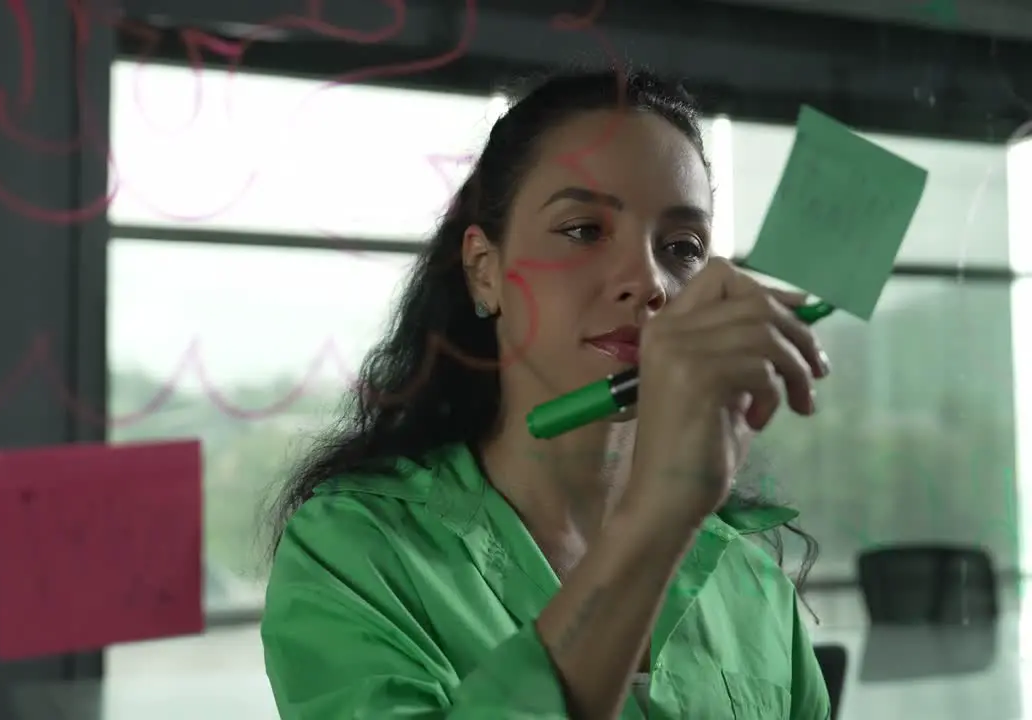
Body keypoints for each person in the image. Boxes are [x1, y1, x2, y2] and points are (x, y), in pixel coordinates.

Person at [260, 68, 832, 719]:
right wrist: (658, 516)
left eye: (682, 247)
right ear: (485, 273)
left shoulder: (749, 581)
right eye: (584, 230)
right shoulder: (359, 547)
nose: (648, 281)